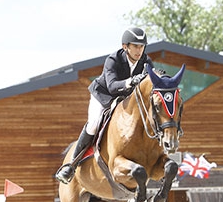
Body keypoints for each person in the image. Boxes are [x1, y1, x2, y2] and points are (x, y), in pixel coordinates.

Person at [55, 27, 154, 184]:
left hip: (125, 100)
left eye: (142, 46)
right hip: (103, 95)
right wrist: (132, 81)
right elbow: (113, 86)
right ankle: (71, 165)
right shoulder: (113, 60)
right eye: (135, 46)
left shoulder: (146, 61)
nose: (139, 50)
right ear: (125, 46)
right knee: (94, 124)